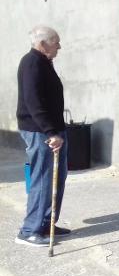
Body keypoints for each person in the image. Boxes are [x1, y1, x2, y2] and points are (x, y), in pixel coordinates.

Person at [15, 25, 70, 246]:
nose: (59, 46)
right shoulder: (31, 62)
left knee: (57, 178)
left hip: (54, 130)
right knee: (43, 179)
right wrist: (50, 132)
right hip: (40, 131)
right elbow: (33, 100)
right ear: (43, 43)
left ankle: (46, 223)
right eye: (56, 42)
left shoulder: (44, 62)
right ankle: (29, 230)